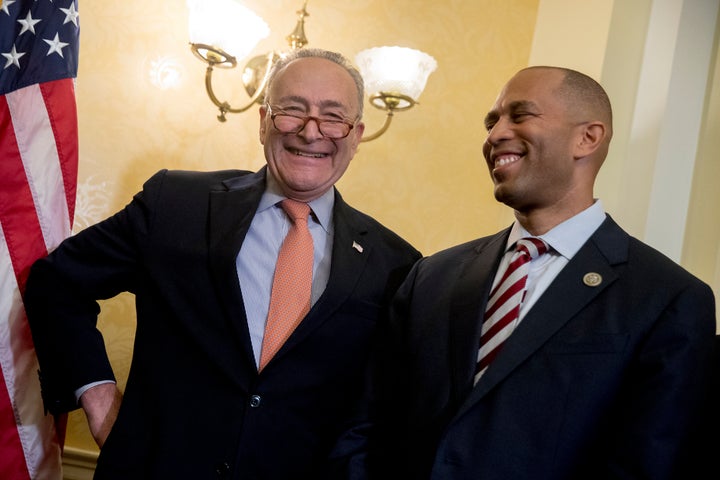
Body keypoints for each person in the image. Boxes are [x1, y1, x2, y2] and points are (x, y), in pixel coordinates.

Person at [23, 48, 421, 479]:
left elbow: (380, 409)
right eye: (292, 110)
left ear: (356, 134)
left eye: (332, 116)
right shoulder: (175, 204)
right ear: (264, 120)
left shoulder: (396, 266)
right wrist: (97, 397)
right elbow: (56, 282)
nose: (311, 132)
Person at [331, 66, 717, 479]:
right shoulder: (431, 276)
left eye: (520, 115)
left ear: (587, 137)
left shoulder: (668, 299)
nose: (495, 134)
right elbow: (366, 427)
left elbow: (649, 465)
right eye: (492, 121)